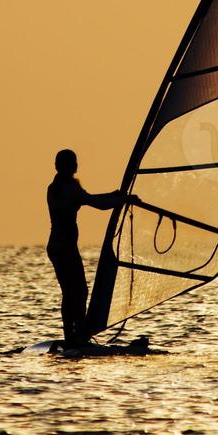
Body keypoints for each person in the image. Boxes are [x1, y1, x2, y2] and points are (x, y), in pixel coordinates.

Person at [47, 149, 130, 348]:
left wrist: (113, 195)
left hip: (57, 247)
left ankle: (72, 333)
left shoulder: (55, 187)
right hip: (64, 248)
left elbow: (90, 198)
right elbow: (96, 203)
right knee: (77, 291)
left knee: (71, 291)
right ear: (72, 167)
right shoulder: (68, 188)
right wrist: (122, 200)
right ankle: (75, 336)